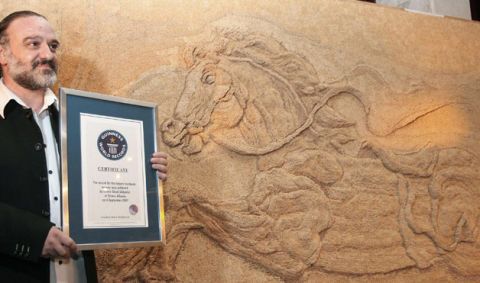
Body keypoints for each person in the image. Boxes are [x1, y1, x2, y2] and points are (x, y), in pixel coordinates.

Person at [0, 10, 168, 282]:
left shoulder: (80, 120)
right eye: (33, 44)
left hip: (76, 271)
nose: (47, 54)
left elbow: (104, 179)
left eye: (52, 46)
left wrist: (145, 174)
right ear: (3, 54)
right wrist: (31, 236)